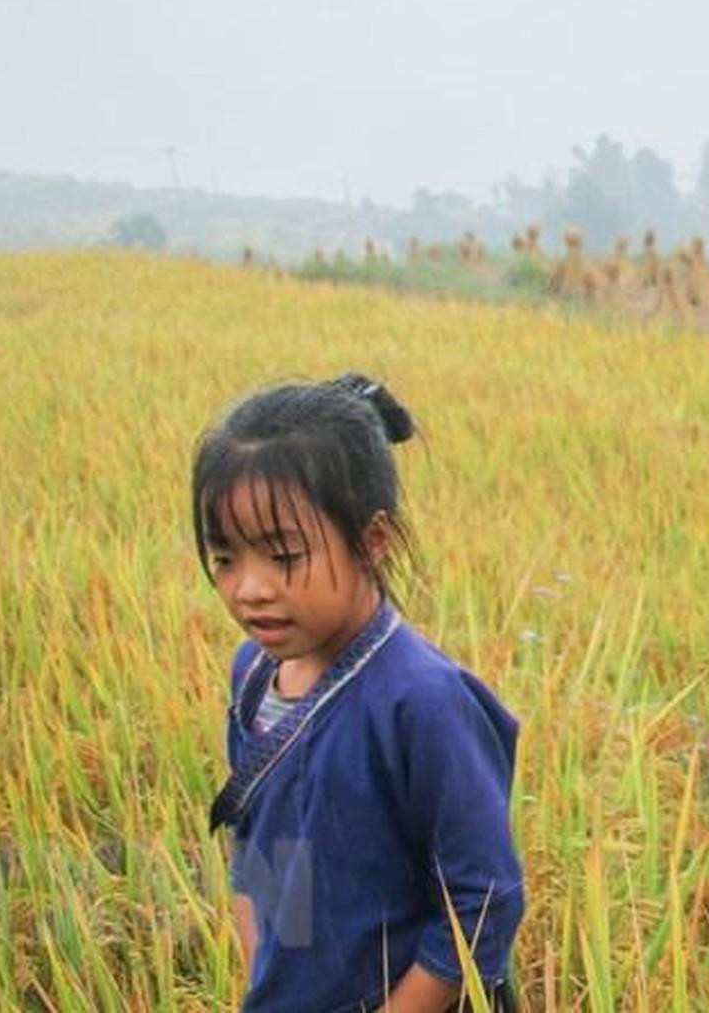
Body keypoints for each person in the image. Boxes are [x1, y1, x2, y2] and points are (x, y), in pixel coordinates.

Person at [196, 373, 523, 1011]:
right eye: (225, 558)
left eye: (282, 555)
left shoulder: (422, 702)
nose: (249, 589)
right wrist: (267, 981)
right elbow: (262, 842)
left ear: (371, 542)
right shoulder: (254, 671)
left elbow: (484, 899)